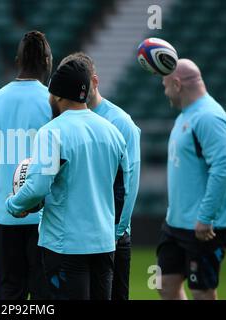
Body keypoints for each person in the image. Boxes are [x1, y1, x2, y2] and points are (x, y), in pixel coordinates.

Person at [5, 59, 130, 300]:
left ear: (57, 95)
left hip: (66, 245)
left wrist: (13, 204)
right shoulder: (112, 132)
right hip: (104, 244)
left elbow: (37, 187)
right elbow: (121, 189)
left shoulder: (52, 132)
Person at [59, 52, 141, 300]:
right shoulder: (63, 117)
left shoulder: (121, 122)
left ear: (94, 81)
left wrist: (115, 234)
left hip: (111, 237)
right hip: (75, 238)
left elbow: (130, 184)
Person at [0, 30, 53, 300]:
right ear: (48, 60)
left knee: (10, 292)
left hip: (6, 213)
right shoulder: (53, 102)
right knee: (44, 294)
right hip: (45, 217)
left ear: (17, 60)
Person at [157, 58, 226, 300]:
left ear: (177, 84)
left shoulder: (209, 117)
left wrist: (205, 216)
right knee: (164, 285)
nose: (164, 90)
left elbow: (223, 167)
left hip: (203, 227)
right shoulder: (185, 115)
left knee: (202, 292)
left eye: (165, 84)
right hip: (176, 223)